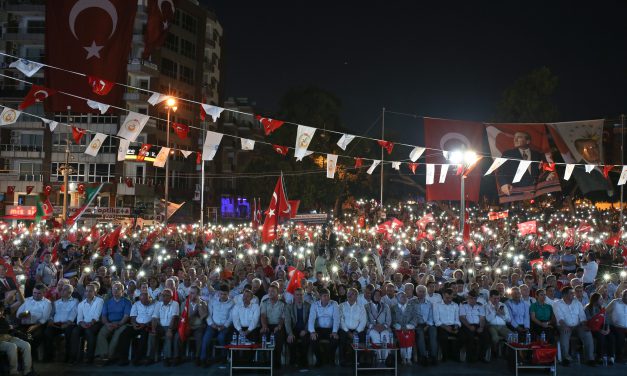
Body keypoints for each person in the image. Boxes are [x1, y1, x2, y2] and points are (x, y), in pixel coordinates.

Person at [552, 286, 595, 367]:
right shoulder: (557, 304)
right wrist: (565, 326)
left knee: (587, 333)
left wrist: (584, 325)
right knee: (565, 334)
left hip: (577, 325)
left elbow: (582, 316)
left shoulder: (577, 303)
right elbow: (559, 318)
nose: (574, 294)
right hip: (563, 325)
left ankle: (590, 359)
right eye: (571, 293)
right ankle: (566, 359)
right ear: (564, 295)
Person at [96, 281, 132, 365]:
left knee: (116, 336)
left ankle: (109, 356)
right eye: (114, 289)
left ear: (122, 291)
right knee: (101, 334)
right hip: (109, 323)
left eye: (118, 289)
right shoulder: (107, 302)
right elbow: (104, 316)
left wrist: (119, 324)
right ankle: (104, 354)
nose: (115, 291)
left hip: (122, 323)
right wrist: (107, 324)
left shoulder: (127, 302)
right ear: (111, 291)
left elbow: (126, 316)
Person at [43, 283, 77, 362]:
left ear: (70, 292)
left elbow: (73, 314)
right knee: (47, 332)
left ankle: (69, 357)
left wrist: (67, 323)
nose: (61, 291)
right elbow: (52, 314)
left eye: (64, 290)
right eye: (61, 289)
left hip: (68, 324)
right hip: (56, 325)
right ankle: (49, 357)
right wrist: (51, 320)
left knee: (69, 333)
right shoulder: (56, 302)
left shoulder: (75, 302)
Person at [70, 283, 104, 364]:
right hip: (84, 323)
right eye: (86, 291)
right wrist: (82, 324)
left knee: (89, 332)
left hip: (95, 323)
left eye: (90, 291)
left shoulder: (100, 301)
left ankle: (90, 357)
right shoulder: (81, 304)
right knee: (75, 331)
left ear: (95, 292)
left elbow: (97, 315)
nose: (88, 293)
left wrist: (90, 323)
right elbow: (79, 318)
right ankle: (74, 357)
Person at [201, 285, 234, 366]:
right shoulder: (213, 301)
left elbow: (231, 317)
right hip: (212, 325)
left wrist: (224, 326)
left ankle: (223, 356)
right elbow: (209, 314)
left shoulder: (232, 303)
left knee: (221, 337)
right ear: (219, 293)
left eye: (225, 294)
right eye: (221, 294)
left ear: (228, 294)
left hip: (224, 326)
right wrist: (212, 324)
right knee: (206, 338)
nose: (222, 296)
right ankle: (203, 359)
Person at [119, 291, 155, 366]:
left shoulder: (155, 304)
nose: (143, 302)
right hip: (137, 324)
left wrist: (145, 324)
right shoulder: (136, 304)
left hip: (148, 325)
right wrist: (134, 324)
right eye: (141, 300)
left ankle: (138, 358)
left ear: (149, 298)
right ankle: (124, 358)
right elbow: (133, 316)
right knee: (124, 334)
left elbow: (155, 318)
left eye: (145, 300)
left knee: (143, 336)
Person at [15, 283, 51, 356]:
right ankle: (21, 355)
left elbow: (44, 319)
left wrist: (34, 326)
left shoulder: (47, 303)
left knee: (35, 336)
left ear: (44, 293)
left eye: (39, 293)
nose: (36, 295)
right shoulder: (27, 300)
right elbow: (18, 314)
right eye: (34, 293)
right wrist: (24, 314)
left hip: (38, 325)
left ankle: (30, 354)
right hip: (24, 324)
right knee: (17, 335)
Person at [176, 285, 207, 366]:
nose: (190, 295)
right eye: (190, 293)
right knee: (178, 336)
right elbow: (181, 317)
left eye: (193, 293)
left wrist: (198, 304)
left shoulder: (203, 303)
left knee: (199, 337)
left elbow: (203, 316)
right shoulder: (184, 303)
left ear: (198, 294)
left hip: (198, 327)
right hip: (187, 326)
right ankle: (178, 357)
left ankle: (197, 357)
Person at [308, 288, 339, 367]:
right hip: (319, 329)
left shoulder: (334, 304)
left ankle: (331, 360)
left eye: (328, 296)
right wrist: (312, 332)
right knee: (313, 339)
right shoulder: (314, 305)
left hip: (331, 329)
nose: (326, 298)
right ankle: (319, 360)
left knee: (335, 339)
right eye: (324, 296)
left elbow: (336, 318)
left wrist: (335, 331)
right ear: (320, 297)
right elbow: (311, 319)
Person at [0, 308, 36, 376]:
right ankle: (13, 372)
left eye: (1, 311)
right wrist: (7, 328)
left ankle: (27, 371)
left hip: (8, 336)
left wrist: (23, 334)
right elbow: (6, 328)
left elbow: (10, 329)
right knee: (12, 346)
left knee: (26, 345)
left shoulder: (3, 318)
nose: (1, 313)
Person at [150, 288, 180, 366]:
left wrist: (170, 329)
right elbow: (154, 317)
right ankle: (151, 357)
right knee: (152, 335)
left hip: (171, 326)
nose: (164, 297)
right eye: (163, 295)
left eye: (167, 295)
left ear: (171, 296)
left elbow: (174, 318)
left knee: (168, 336)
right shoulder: (158, 304)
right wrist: (153, 329)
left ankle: (167, 358)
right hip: (160, 326)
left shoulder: (175, 304)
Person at [259, 285, 286, 369]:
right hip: (267, 324)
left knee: (278, 337)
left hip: (278, 325)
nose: (270, 293)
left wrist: (279, 326)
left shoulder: (282, 304)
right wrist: (264, 326)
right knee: (263, 335)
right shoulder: (264, 302)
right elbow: (263, 315)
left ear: (277, 293)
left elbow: (283, 317)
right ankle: (264, 361)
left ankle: (276, 361)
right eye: (269, 291)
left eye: (273, 291)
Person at [459, 290, 489, 363]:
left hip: (478, 325)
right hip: (467, 325)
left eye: (475, 298)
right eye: (471, 298)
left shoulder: (480, 306)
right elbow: (462, 318)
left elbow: (482, 318)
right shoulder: (463, 305)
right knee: (470, 337)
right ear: (467, 298)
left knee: (486, 337)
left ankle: (482, 356)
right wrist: (469, 326)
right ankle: (471, 358)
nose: (473, 300)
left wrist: (481, 327)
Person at [284, 287, 311, 368]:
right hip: (293, 329)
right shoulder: (289, 307)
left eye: (301, 295)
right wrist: (290, 333)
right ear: (294, 296)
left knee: (306, 340)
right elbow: (287, 322)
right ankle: (293, 360)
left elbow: (310, 320)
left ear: (304, 295)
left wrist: (306, 330)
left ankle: (304, 360)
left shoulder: (308, 306)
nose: (299, 296)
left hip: (305, 329)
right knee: (291, 340)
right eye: (297, 295)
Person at [364, 289, 392, 365]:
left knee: (385, 336)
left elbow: (389, 320)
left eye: (379, 295)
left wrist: (383, 326)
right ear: (372, 295)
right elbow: (365, 321)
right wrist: (373, 326)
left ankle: (386, 360)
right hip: (372, 328)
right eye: (375, 294)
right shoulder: (366, 306)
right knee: (376, 336)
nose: (377, 296)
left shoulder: (385, 306)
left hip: (384, 328)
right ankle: (378, 359)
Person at [433, 288, 461, 362]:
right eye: (447, 298)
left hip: (453, 325)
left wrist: (457, 326)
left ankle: (455, 355)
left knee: (462, 336)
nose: (449, 299)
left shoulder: (455, 305)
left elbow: (457, 319)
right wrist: (446, 327)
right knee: (443, 337)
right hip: (442, 326)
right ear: (443, 296)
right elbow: (437, 321)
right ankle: (445, 356)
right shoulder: (437, 305)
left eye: (451, 298)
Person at [413, 285, 438, 366]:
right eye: (420, 291)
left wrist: (428, 325)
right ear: (416, 292)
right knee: (420, 334)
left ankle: (433, 356)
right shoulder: (412, 303)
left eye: (423, 292)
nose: (421, 293)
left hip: (428, 323)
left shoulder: (429, 304)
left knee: (433, 333)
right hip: (417, 324)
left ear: (425, 293)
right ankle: (423, 357)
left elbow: (431, 317)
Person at [584, 292, 611, 365]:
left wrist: (607, 329)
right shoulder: (588, 308)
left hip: (601, 327)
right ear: (595, 300)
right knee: (601, 336)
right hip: (591, 328)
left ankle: (611, 357)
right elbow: (589, 322)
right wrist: (600, 330)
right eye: (601, 299)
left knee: (611, 336)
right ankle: (599, 357)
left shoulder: (602, 308)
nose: (602, 300)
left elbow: (606, 319)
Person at [484, 289, 512, 358]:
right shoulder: (486, 306)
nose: (496, 300)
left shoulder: (503, 305)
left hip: (502, 326)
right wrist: (495, 311)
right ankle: (495, 351)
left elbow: (509, 319)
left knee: (512, 336)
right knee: (495, 338)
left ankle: (506, 353)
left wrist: (502, 315)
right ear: (490, 298)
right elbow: (488, 319)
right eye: (494, 298)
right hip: (492, 326)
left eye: (498, 298)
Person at [605, 289, 627, 365]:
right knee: (620, 337)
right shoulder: (615, 302)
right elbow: (605, 313)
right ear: (622, 295)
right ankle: (619, 357)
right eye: (625, 295)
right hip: (616, 326)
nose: (626, 297)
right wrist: (607, 325)